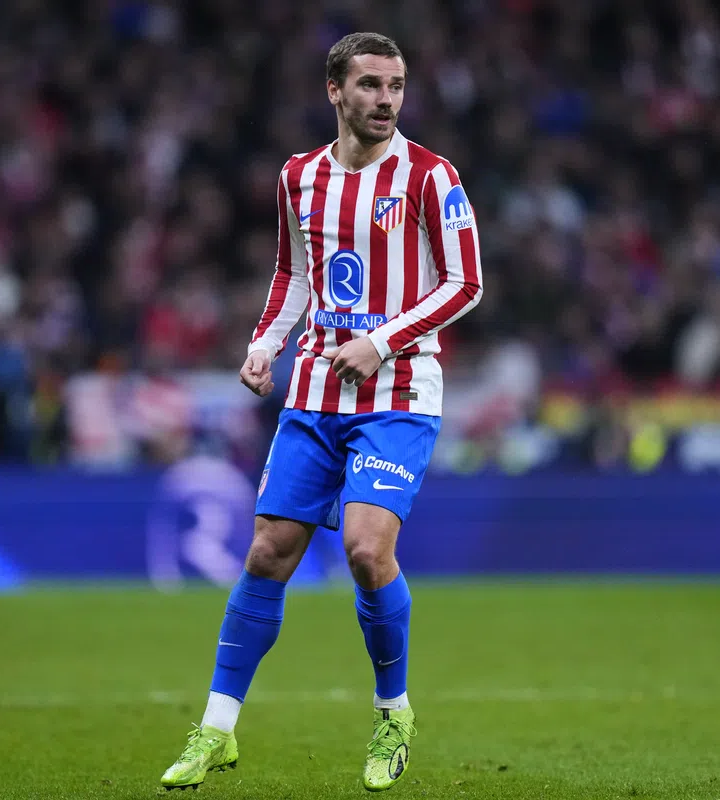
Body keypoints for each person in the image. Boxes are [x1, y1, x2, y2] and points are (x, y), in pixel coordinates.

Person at [160, 31, 482, 792]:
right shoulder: (299, 176)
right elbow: (293, 273)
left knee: (367, 551)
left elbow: (466, 282)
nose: (386, 99)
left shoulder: (431, 175)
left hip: (398, 392)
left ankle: (393, 713)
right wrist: (265, 344)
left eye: (396, 86)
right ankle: (216, 730)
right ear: (335, 90)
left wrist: (381, 341)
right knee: (268, 552)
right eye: (370, 84)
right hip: (314, 390)